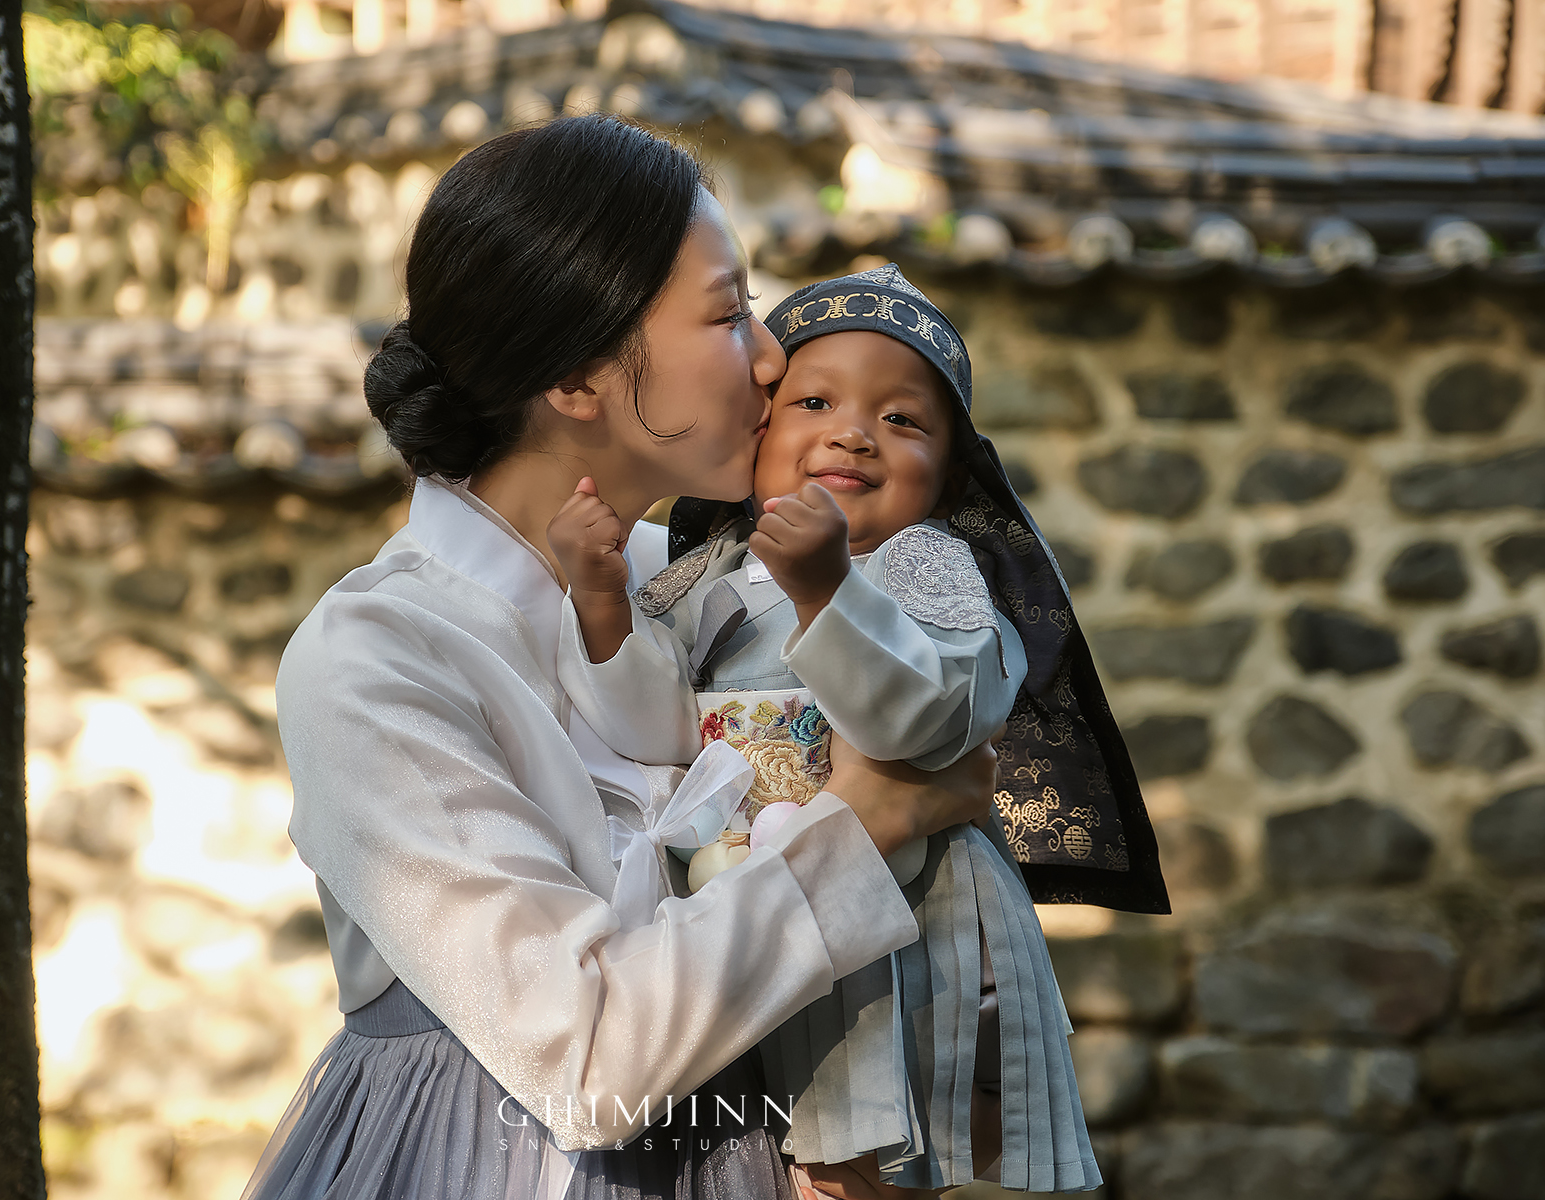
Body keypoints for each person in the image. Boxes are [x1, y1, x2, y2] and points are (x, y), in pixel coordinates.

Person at [243, 116, 1001, 1200]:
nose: (773, 358)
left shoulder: (713, 592)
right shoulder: (378, 659)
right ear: (576, 378)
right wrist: (870, 820)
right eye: (729, 314)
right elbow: (586, 1059)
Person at [548, 263, 1104, 1193]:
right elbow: (653, 727)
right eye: (813, 402)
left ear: (948, 477)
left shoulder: (926, 566)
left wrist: (830, 592)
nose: (853, 432)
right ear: (759, 436)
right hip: (755, 909)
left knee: (873, 1160)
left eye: (903, 419)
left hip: (908, 918)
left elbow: (928, 718)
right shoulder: (707, 573)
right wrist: (602, 600)